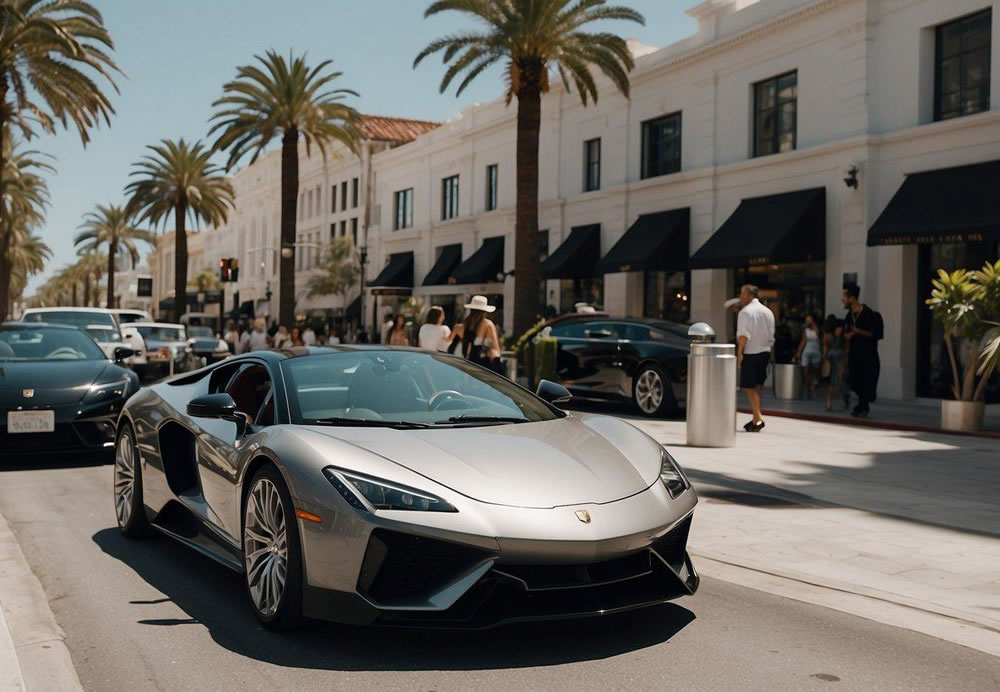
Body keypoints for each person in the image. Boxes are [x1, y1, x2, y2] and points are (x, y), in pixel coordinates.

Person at [736, 284, 775, 432]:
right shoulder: (768, 312)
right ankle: (755, 418)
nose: (740, 297)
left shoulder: (745, 312)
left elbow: (744, 335)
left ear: (749, 295)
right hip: (765, 352)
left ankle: (758, 417)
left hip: (751, 353)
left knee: (748, 387)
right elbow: (772, 337)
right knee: (757, 386)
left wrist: (740, 354)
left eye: (742, 294)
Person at [842, 283, 883, 418]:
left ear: (852, 298)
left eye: (844, 296)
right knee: (854, 381)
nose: (842, 299)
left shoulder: (869, 314)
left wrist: (857, 331)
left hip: (868, 357)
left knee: (867, 383)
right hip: (854, 357)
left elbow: (874, 334)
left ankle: (862, 407)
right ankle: (862, 407)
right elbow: (847, 335)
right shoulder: (849, 316)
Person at [451, 295, 502, 374]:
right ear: (484, 311)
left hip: (468, 365)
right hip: (483, 368)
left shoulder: (464, 325)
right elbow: (495, 348)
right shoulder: (488, 325)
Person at [794, 313, 823, 398]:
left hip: (816, 351)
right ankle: (807, 390)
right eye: (807, 321)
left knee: (815, 372)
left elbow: (821, 339)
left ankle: (814, 387)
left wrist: (815, 327)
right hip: (807, 351)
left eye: (809, 320)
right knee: (806, 372)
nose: (808, 322)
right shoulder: (805, 330)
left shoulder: (817, 329)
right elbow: (803, 341)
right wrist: (799, 352)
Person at [822, 314, 846, 411]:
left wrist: (824, 359)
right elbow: (844, 344)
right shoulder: (839, 331)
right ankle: (845, 398)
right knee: (841, 378)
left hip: (830, 356)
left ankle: (828, 401)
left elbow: (825, 347)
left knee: (831, 380)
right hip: (839, 356)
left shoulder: (827, 334)